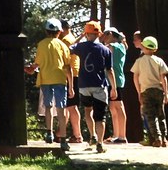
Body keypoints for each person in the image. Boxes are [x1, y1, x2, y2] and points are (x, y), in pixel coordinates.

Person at [71, 22, 118, 153]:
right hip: (100, 86)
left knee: (88, 110)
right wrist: (114, 88)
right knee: (100, 116)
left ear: (86, 33)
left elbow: (69, 48)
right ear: (99, 34)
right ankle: (100, 143)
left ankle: (92, 136)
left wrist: (81, 37)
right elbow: (110, 70)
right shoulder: (105, 50)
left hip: (84, 85)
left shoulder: (81, 47)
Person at [31, 18, 73, 148]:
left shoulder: (41, 44)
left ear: (46, 31)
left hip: (45, 79)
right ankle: (63, 139)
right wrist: (71, 86)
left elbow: (37, 63)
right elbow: (68, 66)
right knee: (61, 108)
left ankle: (49, 133)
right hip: (60, 79)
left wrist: (31, 68)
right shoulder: (63, 45)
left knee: (48, 106)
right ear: (59, 32)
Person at [132, 36, 168, 147]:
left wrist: (139, 92)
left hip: (145, 91)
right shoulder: (159, 61)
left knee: (150, 116)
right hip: (158, 90)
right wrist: (166, 93)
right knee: (161, 115)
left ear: (143, 47)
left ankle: (157, 138)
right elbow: (163, 77)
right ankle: (164, 139)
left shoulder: (139, 61)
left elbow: (135, 77)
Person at [105, 28, 129, 143]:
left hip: (114, 80)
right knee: (113, 107)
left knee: (118, 106)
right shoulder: (122, 46)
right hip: (115, 80)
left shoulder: (113, 46)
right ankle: (116, 135)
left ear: (110, 34)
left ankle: (122, 136)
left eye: (105, 34)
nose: (103, 37)